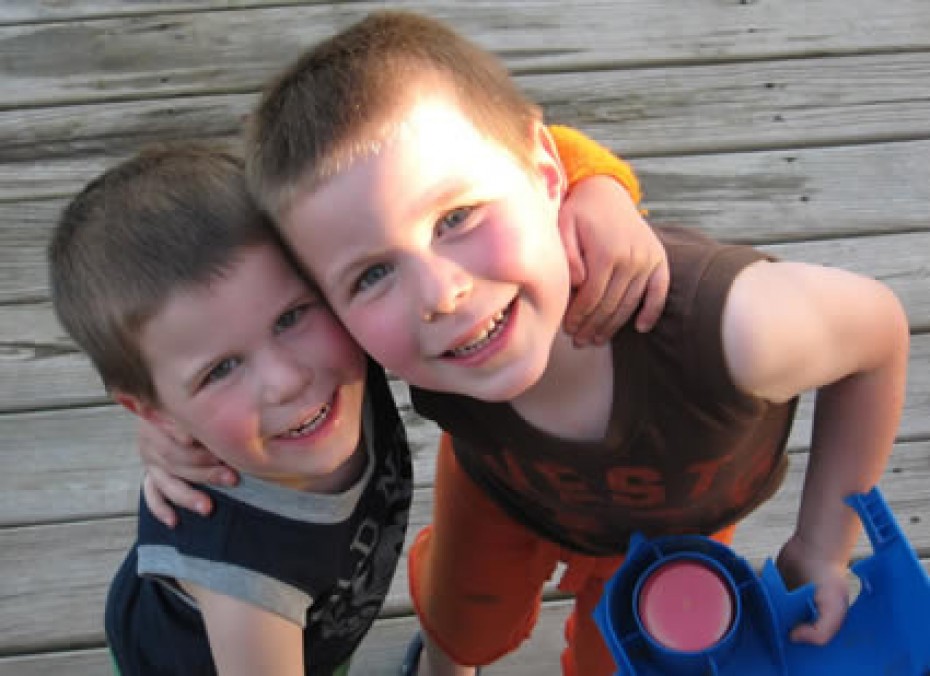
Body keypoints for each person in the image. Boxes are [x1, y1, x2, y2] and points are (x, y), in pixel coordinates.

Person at [141, 10, 910, 676]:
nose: (439, 295)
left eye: (455, 219)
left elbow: (877, 332)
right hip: (497, 490)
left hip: (670, 525)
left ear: (548, 175)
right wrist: (171, 430)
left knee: (628, 650)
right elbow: (242, 333)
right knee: (457, 610)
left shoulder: (737, 329)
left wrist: (820, 547)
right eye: (372, 273)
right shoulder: (365, 336)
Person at [50, 128, 665, 673]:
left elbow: (494, 144)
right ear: (153, 411)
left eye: (291, 316)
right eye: (221, 370)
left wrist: (599, 191)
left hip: (322, 628)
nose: (286, 378)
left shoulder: (350, 337)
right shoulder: (243, 575)